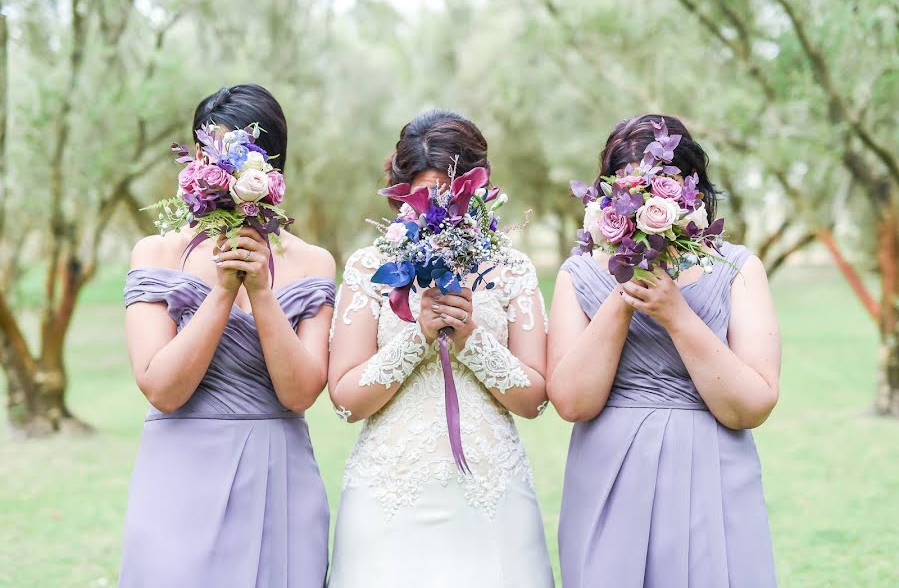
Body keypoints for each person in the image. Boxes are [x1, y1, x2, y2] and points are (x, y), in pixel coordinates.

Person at [549, 114, 780, 587]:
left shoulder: (739, 269)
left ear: (690, 193)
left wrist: (676, 314)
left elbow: (752, 406)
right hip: (610, 474)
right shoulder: (578, 275)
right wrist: (625, 289)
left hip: (712, 470)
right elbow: (572, 402)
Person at [327, 109, 555, 587]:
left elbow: (534, 399)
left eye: (447, 196)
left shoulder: (511, 270)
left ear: (478, 188)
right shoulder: (369, 267)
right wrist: (418, 337)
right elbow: (346, 400)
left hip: (491, 496)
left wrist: (470, 337)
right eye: (419, 197)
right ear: (398, 191)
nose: (433, 210)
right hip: (389, 496)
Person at [118, 84, 335, 587]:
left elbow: (301, 393)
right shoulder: (157, 253)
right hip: (179, 475)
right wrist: (221, 291)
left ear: (272, 169)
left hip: (279, 474)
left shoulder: (312, 262)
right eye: (211, 154)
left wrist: (260, 292)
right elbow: (162, 389)